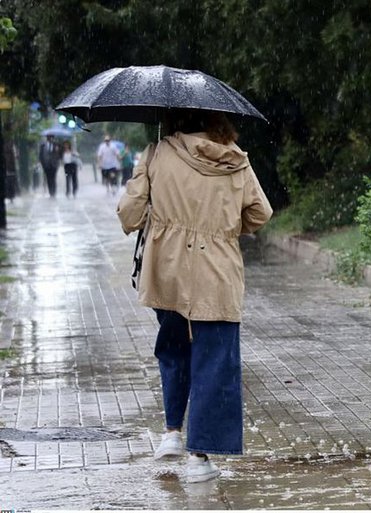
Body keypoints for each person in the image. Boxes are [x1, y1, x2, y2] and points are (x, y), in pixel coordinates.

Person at [116, 111, 272, 483]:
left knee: (173, 348)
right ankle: (199, 458)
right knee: (214, 360)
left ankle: (171, 432)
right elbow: (260, 213)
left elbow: (130, 214)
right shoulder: (235, 159)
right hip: (217, 273)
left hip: (167, 269)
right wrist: (224, 227)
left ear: (175, 120)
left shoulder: (157, 153)